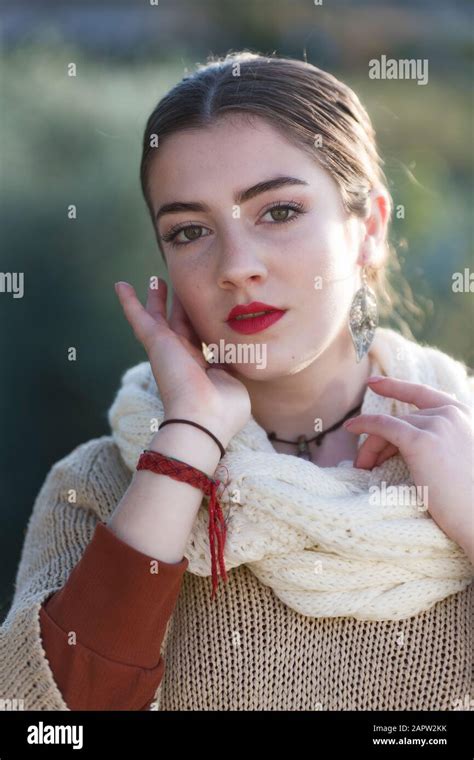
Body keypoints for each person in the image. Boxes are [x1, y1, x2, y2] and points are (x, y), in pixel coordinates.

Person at [1, 52, 472, 712]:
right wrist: (188, 437)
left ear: (367, 228)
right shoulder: (99, 488)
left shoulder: (466, 462)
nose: (237, 266)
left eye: (278, 212)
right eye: (191, 230)